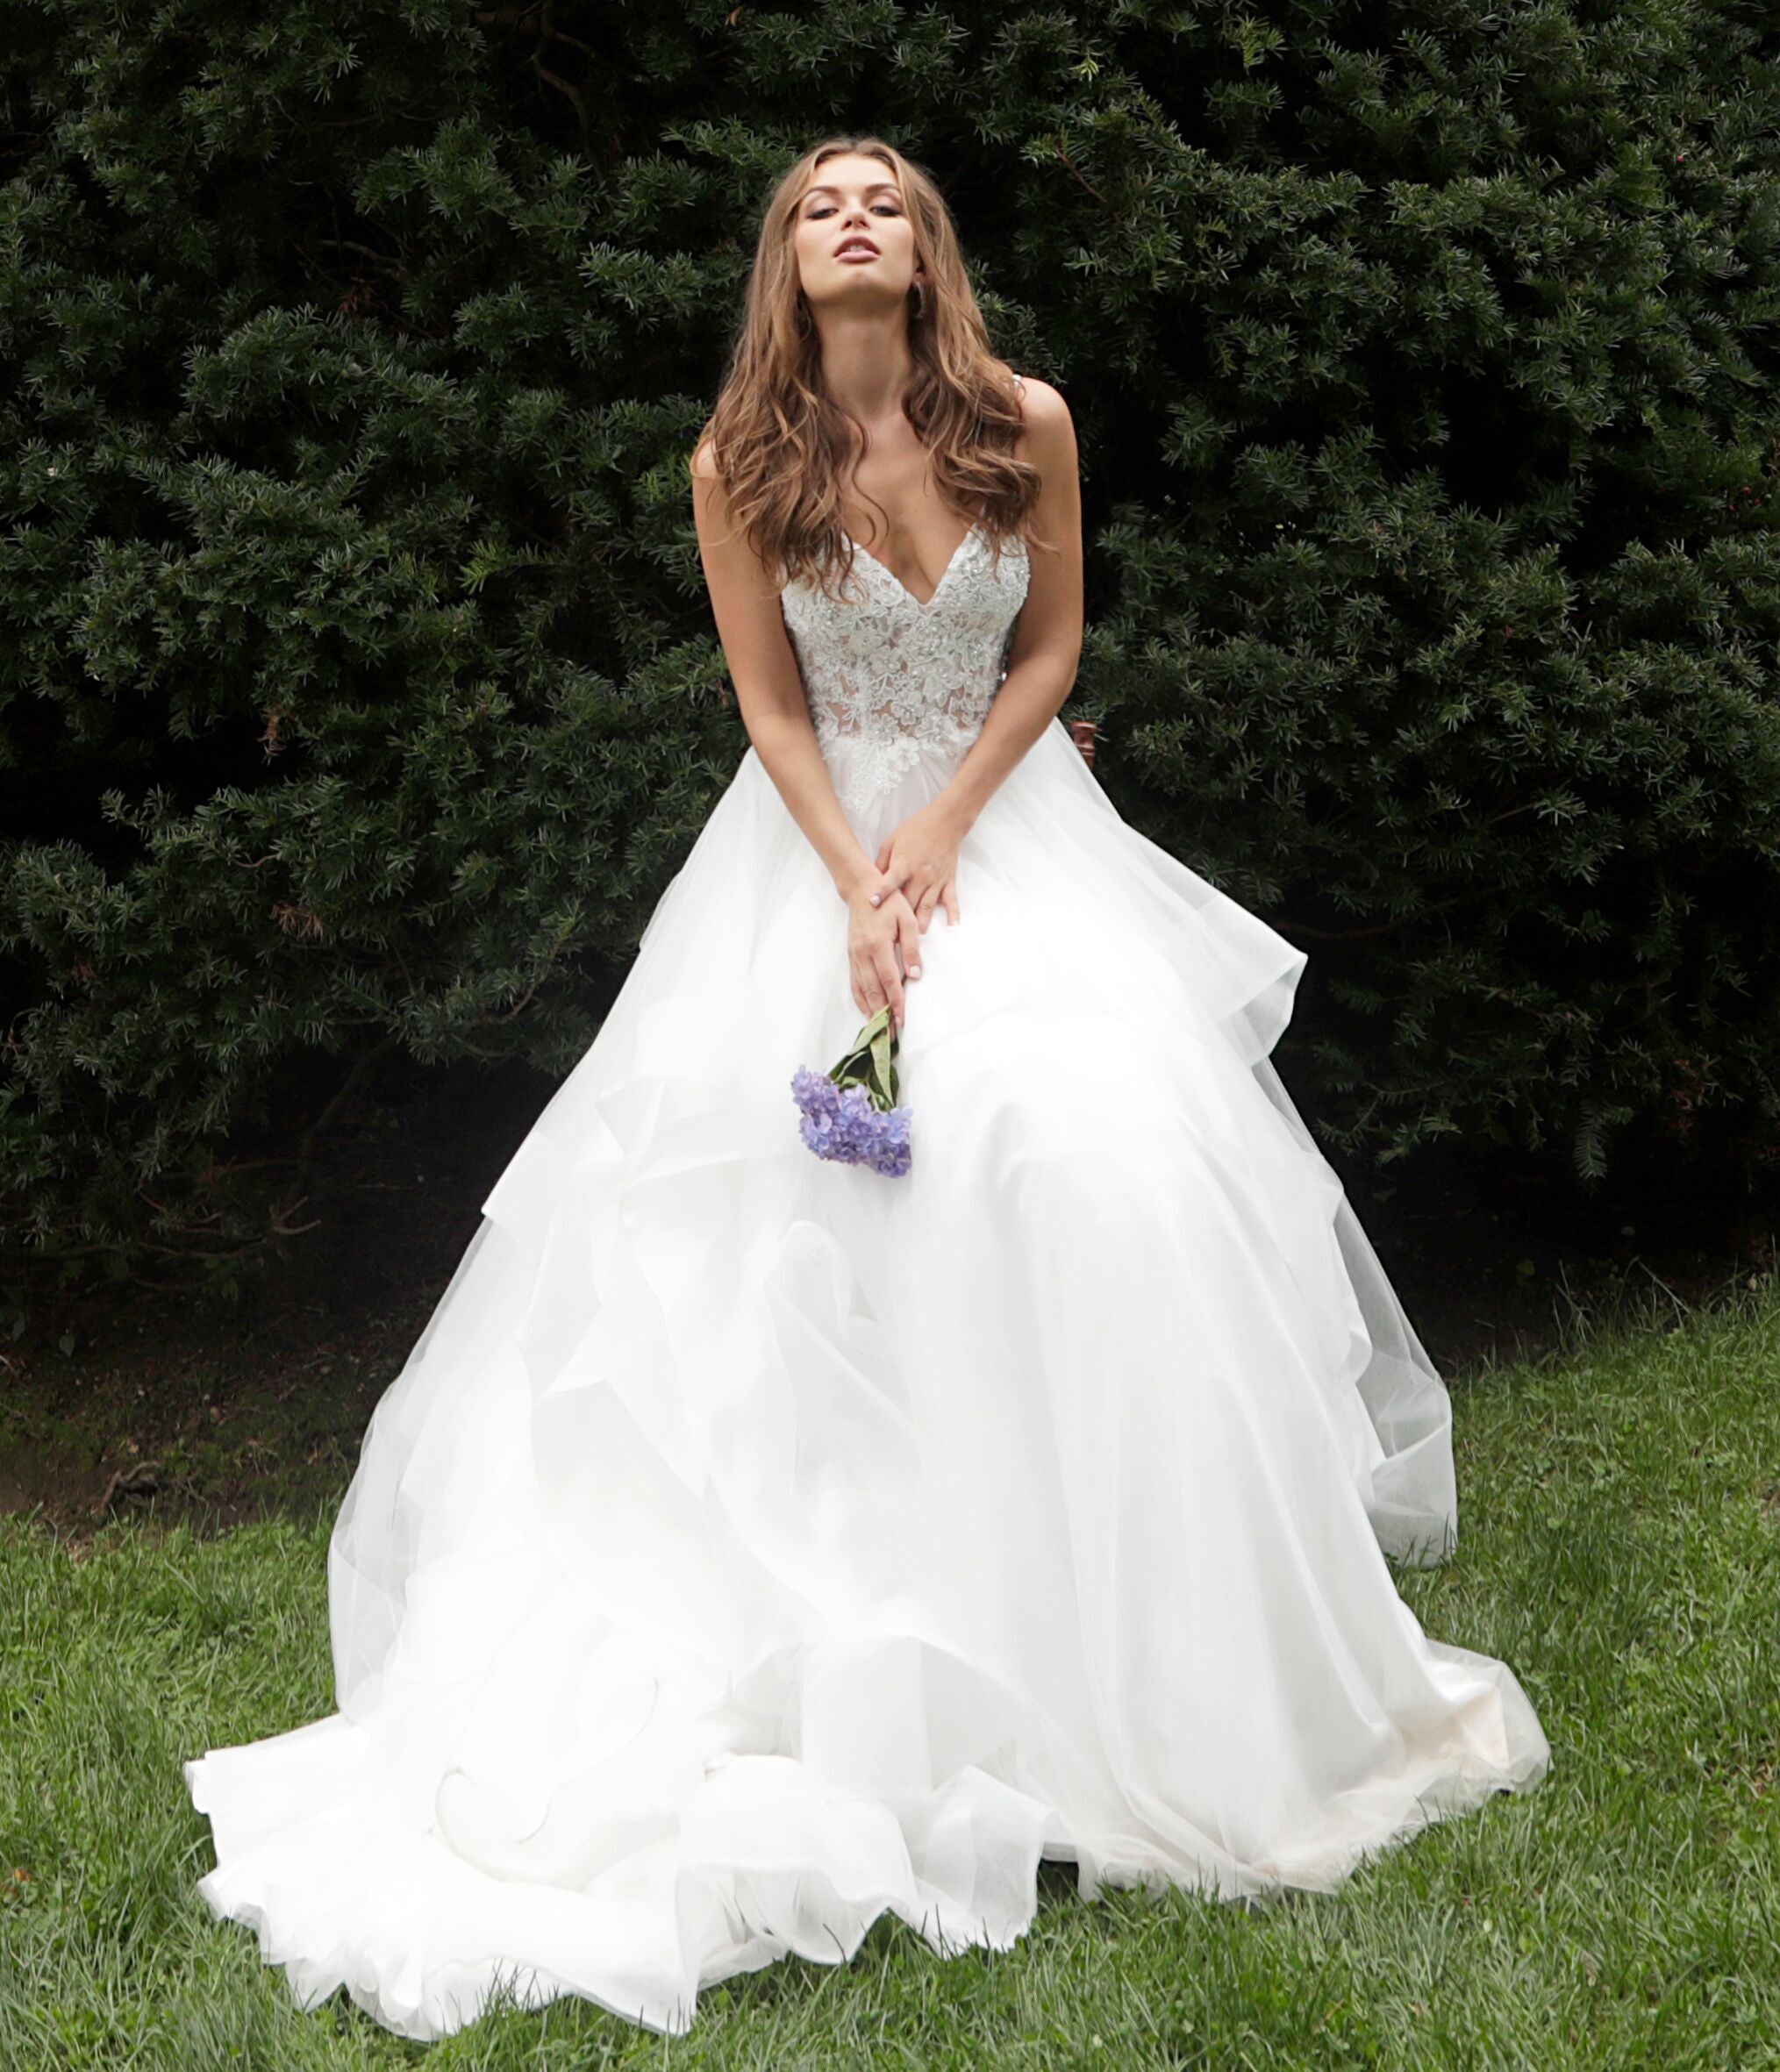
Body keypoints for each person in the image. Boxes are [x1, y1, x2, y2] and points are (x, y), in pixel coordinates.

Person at [183, 133, 1549, 2042]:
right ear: (786, 260)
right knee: (797, 1215)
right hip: (809, 854)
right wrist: (859, 881)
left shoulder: (1025, 422)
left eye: (883, 200)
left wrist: (946, 841)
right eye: (821, 200)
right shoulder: (736, 466)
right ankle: (864, 1659)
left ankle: (1144, 1666)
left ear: (923, 257)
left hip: (1009, 830)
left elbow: (1052, 646)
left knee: (1093, 1156)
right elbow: (766, 702)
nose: (852, 217)